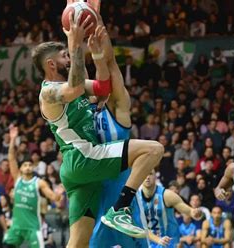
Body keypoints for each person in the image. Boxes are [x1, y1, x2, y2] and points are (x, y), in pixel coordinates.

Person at [32, 5, 164, 248]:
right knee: (153, 149)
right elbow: (72, 88)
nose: (69, 57)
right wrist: (75, 43)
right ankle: (121, 209)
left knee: (78, 243)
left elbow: (103, 88)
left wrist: (99, 57)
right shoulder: (48, 93)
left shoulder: (75, 83)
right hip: (84, 156)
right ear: (51, 65)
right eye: (64, 56)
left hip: (78, 168)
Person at [89, 3, 168, 246]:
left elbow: (111, 64)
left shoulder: (119, 108)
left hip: (123, 201)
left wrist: (97, 20)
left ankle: (121, 210)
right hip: (95, 198)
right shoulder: (81, 110)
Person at [3, 126, 64, 248]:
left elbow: (53, 197)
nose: (27, 167)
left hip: (33, 226)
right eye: (25, 165)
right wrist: (13, 139)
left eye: (30, 165)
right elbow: (11, 158)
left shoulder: (39, 182)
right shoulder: (18, 179)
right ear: (20, 169)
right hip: (17, 226)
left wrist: (58, 194)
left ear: (33, 168)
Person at [132, 170, 203, 247]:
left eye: (150, 174)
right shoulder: (135, 198)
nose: (147, 177)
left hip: (168, 242)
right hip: (146, 242)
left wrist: (194, 212)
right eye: (144, 173)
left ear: (155, 176)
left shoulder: (167, 195)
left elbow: (189, 210)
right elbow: (137, 226)